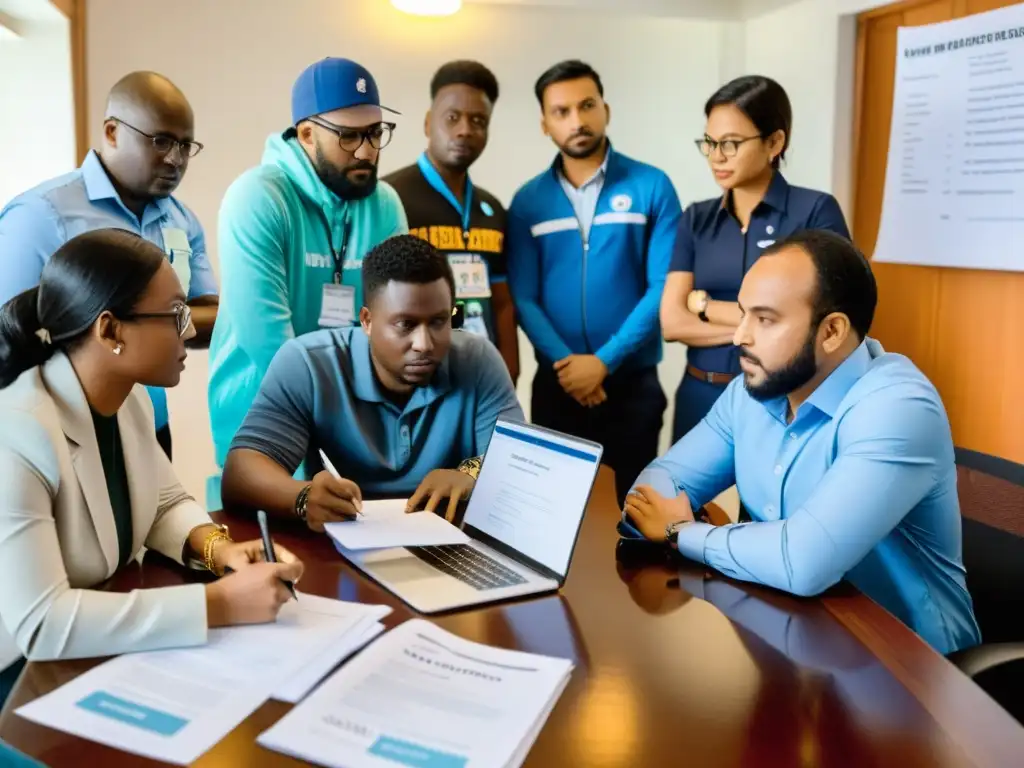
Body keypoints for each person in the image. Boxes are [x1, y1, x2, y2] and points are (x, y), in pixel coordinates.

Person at [622, 230, 980, 655]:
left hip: (912, 671)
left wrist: (682, 530)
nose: (739, 337)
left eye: (765, 319)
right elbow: (651, 489)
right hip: (796, 639)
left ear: (831, 331)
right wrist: (677, 522)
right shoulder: (751, 392)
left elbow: (803, 562)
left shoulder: (897, 406)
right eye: (742, 314)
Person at [0, 229, 304, 706]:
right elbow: (41, 624)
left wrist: (217, 551)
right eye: (174, 315)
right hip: (18, 675)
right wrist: (219, 604)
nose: (188, 331)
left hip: (94, 649)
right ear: (111, 330)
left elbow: (164, 503)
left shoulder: (130, 398)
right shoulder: (17, 430)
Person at [221, 235, 523, 529]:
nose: (424, 344)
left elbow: (519, 466)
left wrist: (470, 474)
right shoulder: (308, 363)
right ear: (366, 320)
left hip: (450, 545)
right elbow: (241, 473)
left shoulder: (478, 359)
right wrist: (302, 497)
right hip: (343, 547)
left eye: (438, 321)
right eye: (405, 324)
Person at [208, 57, 407, 498]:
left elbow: (397, 319)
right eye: (349, 136)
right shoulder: (257, 198)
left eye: (376, 133)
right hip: (263, 431)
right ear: (306, 134)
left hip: (356, 433)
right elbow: (269, 342)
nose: (367, 151)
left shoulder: (386, 204)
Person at [0, 71, 219, 460]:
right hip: (60, 432)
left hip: (149, 425)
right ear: (112, 132)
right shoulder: (39, 215)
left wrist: (138, 324)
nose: (176, 159)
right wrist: (159, 321)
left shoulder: (182, 220)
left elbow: (212, 320)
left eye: (186, 145)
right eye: (161, 141)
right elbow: (8, 335)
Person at [506, 60, 681, 507]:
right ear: (544, 124)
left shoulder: (652, 186)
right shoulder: (529, 201)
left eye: (587, 106)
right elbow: (523, 297)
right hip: (558, 386)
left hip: (633, 383)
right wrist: (569, 365)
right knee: (552, 513)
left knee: (634, 513)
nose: (577, 121)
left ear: (606, 108)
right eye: (561, 111)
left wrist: (603, 362)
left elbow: (663, 286)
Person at [661, 75, 850, 443]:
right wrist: (767, 326)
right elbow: (671, 323)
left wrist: (705, 306)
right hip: (702, 396)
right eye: (710, 143)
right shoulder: (695, 218)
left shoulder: (814, 212)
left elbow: (822, 323)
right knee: (680, 498)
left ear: (774, 142)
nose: (717, 156)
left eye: (731, 144)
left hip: (782, 403)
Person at [384, 60, 519, 382]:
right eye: (452, 117)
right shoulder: (390, 199)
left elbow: (502, 303)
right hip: (415, 377)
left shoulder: (492, 208)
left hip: (480, 374)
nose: (465, 130)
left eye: (478, 120)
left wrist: (509, 373)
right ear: (429, 123)